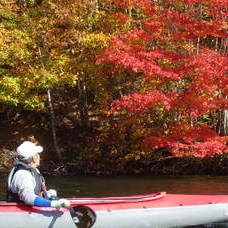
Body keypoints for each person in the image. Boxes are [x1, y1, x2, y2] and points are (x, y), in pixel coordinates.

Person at [7, 141, 70, 208]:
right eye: (37, 154)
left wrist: (47, 194)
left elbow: (34, 193)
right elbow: (29, 198)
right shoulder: (23, 175)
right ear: (34, 157)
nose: (39, 156)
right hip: (22, 214)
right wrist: (54, 204)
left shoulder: (33, 170)